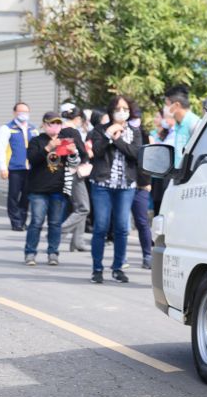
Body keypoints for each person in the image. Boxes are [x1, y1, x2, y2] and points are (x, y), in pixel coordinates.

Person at [89, 95, 143, 284]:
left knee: (121, 228)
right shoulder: (99, 130)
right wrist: (107, 135)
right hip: (102, 185)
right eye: (118, 109)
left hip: (125, 186)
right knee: (101, 227)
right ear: (111, 111)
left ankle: (118, 268)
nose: (122, 112)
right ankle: (97, 269)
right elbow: (96, 152)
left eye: (125, 109)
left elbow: (136, 153)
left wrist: (117, 139)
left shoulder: (135, 132)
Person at [23, 111, 71, 266]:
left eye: (58, 123)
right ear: (44, 124)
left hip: (57, 189)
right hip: (38, 189)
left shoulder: (64, 141)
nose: (55, 126)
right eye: (52, 123)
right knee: (36, 222)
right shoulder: (37, 140)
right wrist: (48, 147)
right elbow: (32, 159)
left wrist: (73, 153)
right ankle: (30, 252)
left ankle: (53, 253)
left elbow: (74, 162)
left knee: (55, 223)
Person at [57, 103, 92, 252]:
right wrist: (87, 153)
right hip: (74, 172)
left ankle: (77, 241)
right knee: (83, 208)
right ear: (77, 118)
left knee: (79, 206)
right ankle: (57, 232)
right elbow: (77, 153)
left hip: (66, 172)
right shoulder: (72, 131)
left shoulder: (62, 130)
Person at [0, 102, 36, 231]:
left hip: (30, 168)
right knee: (13, 196)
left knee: (26, 196)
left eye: (26, 112)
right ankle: (16, 221)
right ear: (14, 113)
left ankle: (23, 221)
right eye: (21, 112)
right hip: (14, 168)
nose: (24, 114)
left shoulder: (33, 129)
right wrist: (3, 167)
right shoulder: (7, 128)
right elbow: (0, 148)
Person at [129, 108, 153, 269]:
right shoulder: (122, 133)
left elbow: (151, 159)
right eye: (133, 117)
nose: (135, 120)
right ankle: (120, 259)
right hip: (124, 185)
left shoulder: (146, 135)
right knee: (122, 225)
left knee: (142, 221)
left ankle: (147, 255)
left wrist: (148, 181)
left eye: (138, 117)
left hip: (141, 185)